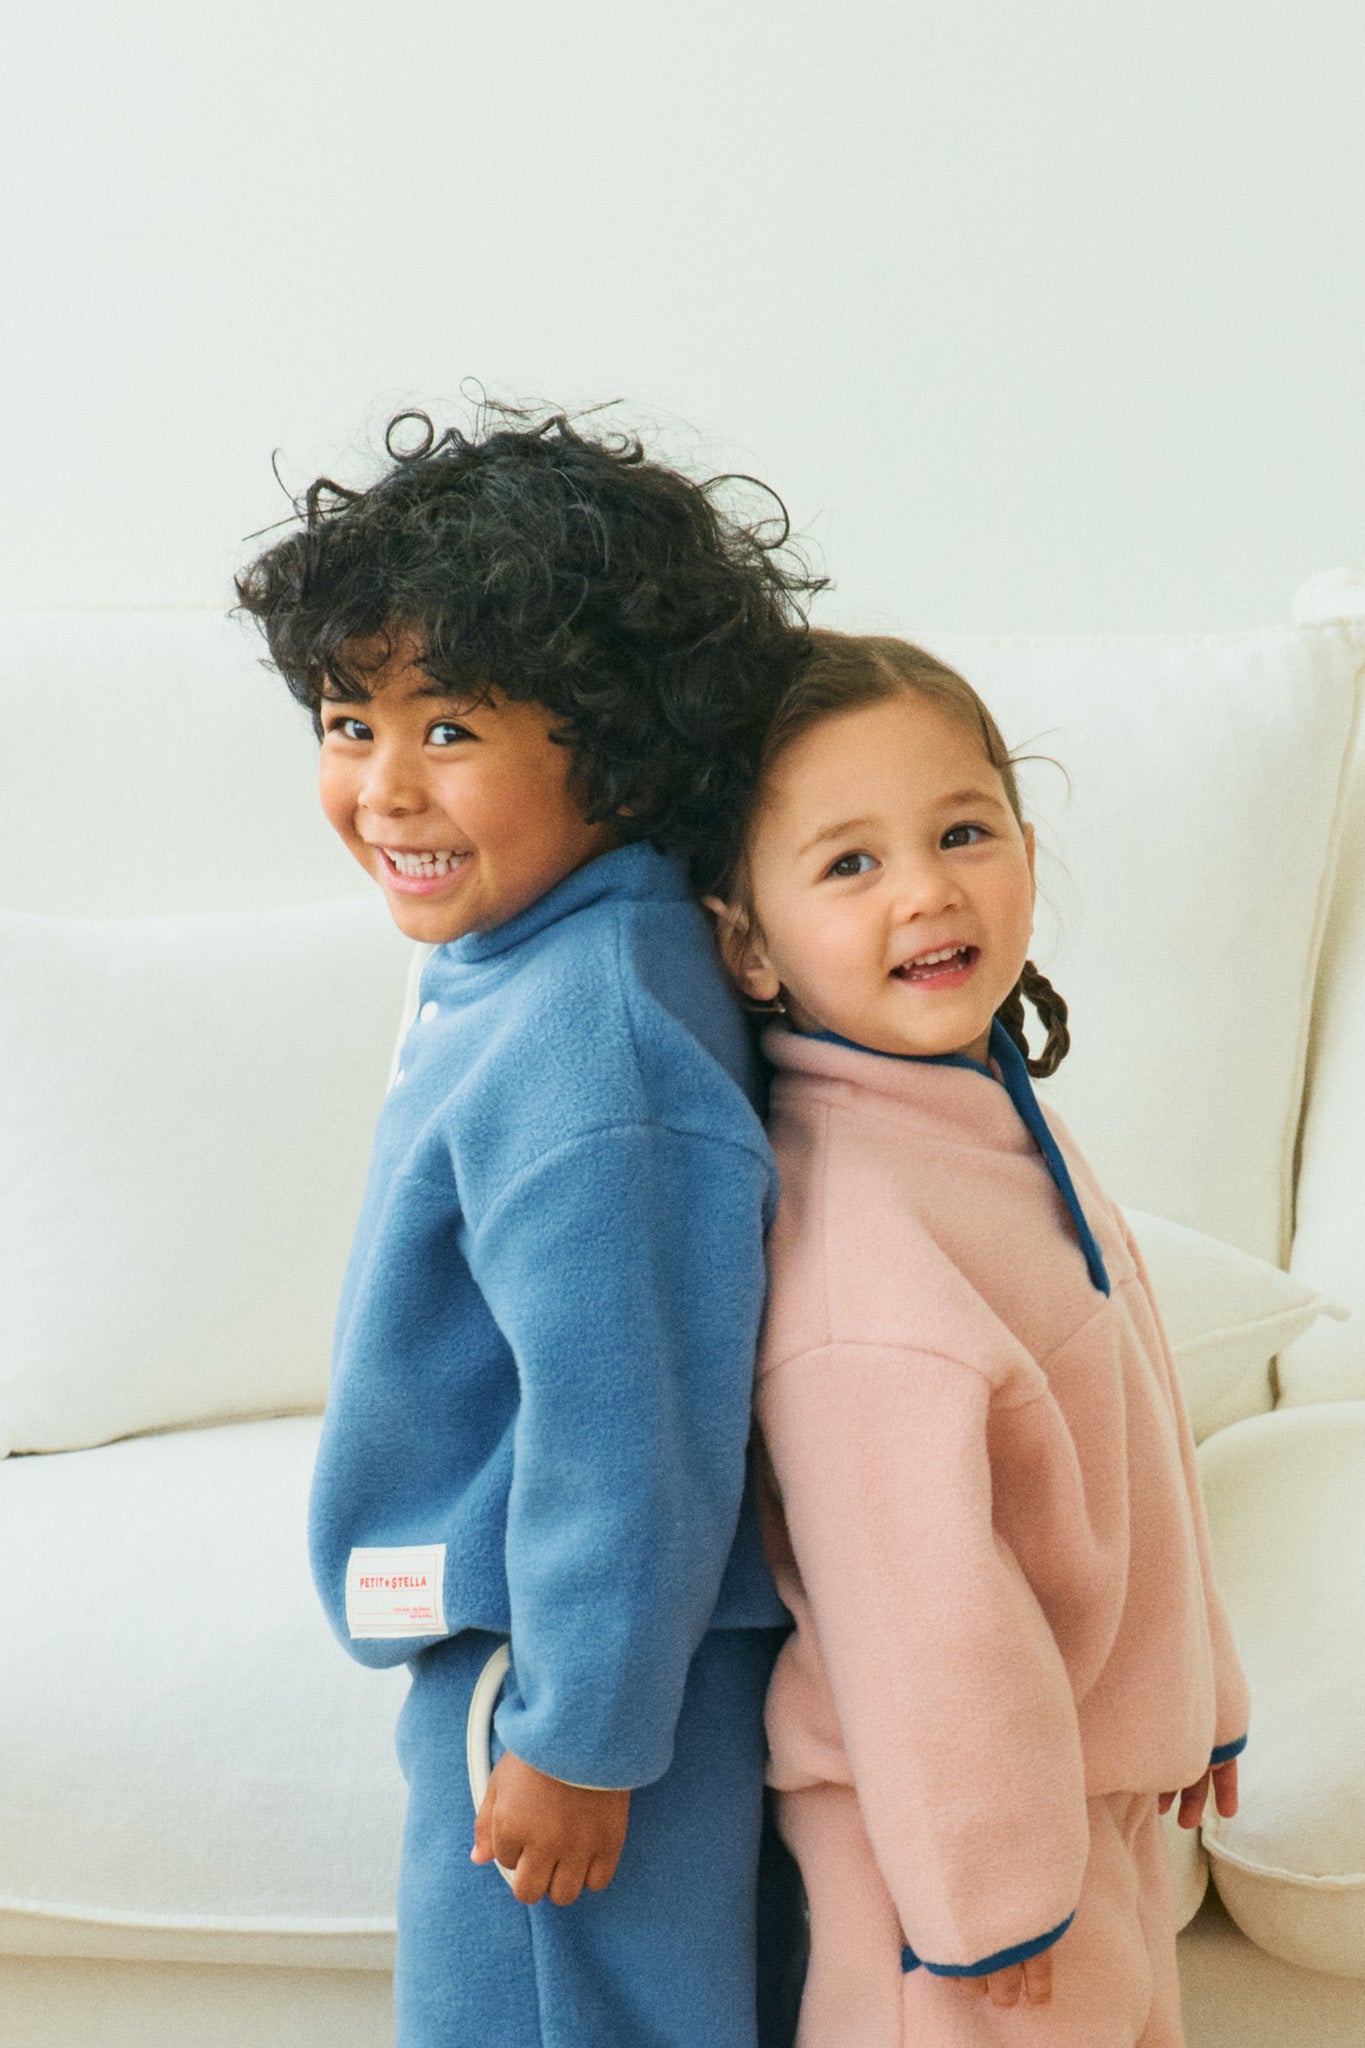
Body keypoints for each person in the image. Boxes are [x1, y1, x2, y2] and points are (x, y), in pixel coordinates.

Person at [235, 408, 817, 2048]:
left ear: (619, 749)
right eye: (349, 723)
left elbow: (630, 1432)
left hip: (561, 1675)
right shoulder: (532, 964)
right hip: (539, 1655)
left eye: (451, 729)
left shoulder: (594, 1049)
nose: (383, 789)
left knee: (554, 2015)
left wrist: (579, 1736)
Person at [702, 629, 1249, 2046]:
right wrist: (989, 1892)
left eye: (961, 832)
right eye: (849, 863)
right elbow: (920, 1605)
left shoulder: (980, 1112)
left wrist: (1201, 1690)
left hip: (1078, 1802)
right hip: (961, 1878)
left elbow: (1128, 1414)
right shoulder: (861, 1239)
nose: (927, 889)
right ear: (748, 943)